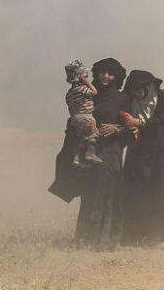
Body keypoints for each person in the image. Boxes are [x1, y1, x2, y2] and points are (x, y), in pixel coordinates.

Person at [50, 58, 131, 251]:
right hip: (88, 151)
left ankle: (107, 242)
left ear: (116, 76)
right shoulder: (87, 94)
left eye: (110, 73)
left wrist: (116, 129)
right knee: (90, 194)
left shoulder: (122, 99)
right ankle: (85, 240)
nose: (106, 76)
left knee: (109, 195)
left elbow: (131, 129)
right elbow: (74, 118)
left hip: (111, 153)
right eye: (102, 72)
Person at [120, 70, 164, 247]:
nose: (138, 94)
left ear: (149, 87)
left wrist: (139, 123)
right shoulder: (127, 101)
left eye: (141, 90)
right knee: (139, 192)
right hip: (139, 151)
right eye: (135, 91)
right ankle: (140, 233)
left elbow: (160, 119)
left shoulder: (161, 96)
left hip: (163, 150)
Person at [63, 59, 102, 166]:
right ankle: (90, 153)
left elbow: (70, 108)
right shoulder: (82, 89)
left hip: (75, 118)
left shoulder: (69, 93)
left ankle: (77, 157)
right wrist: (87, 82)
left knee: (83, 138)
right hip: (86, 116)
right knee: (93, 134)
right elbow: (94, 92)